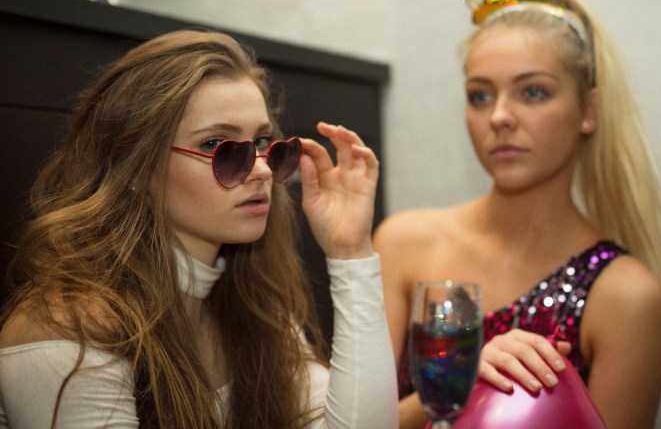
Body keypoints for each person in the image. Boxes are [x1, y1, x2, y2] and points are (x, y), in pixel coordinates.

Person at [0, 30, 398, 428]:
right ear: (139, 168)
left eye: (262, 140)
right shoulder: (72, 328)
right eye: (216, 146)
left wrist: (350, 252)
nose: (260, 169)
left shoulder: (257, 306)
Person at [374, 0, 661, 429]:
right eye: (480, 96)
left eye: (533, 92)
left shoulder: (624, 296)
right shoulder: (402, 243)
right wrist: (460, 381)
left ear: (588, 110)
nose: (499, 116)